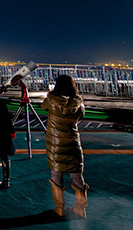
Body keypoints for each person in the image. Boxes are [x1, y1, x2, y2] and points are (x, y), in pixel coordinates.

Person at [42, 75, 88, 218]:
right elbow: (81, 116)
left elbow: (43, 106)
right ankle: (80, 209)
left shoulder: (51, 102)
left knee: (56, 175)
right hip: (73, 143)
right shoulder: (78, 105)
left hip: (56, 146)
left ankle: (59, 208)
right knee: (77, 176)